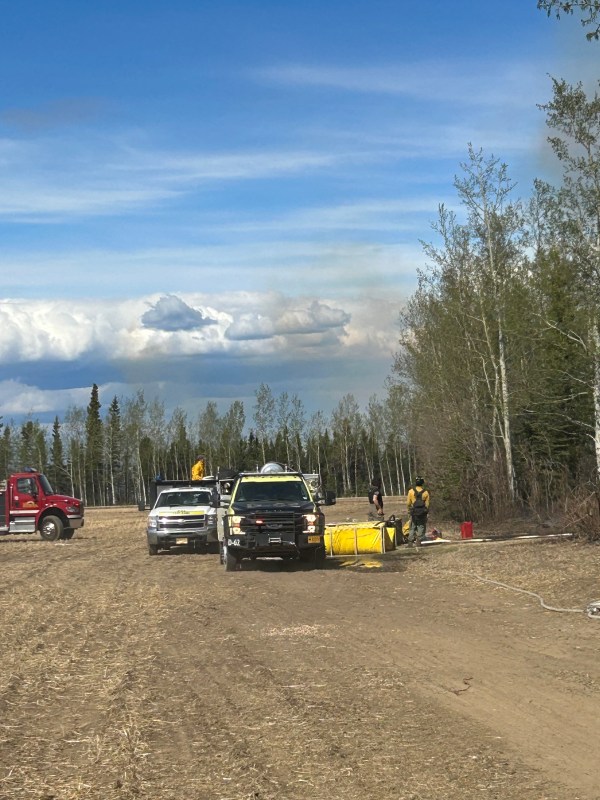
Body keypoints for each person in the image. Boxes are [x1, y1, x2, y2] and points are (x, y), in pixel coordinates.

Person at [406, 476, 430, 547]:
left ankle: (410, 542)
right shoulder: (426, 492)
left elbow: (408, 503)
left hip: (414, 513)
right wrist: (426, 513)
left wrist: (409, 511)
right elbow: (427, 504)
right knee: (421, 526)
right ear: (422, 483)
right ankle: (419, 541)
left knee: (412, 526)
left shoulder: (410, 491)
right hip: (422, 513)